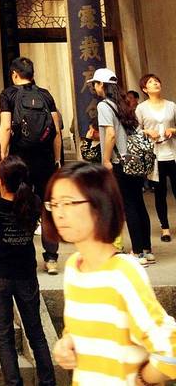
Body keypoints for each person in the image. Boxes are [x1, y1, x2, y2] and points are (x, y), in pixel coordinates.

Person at [45, 161, 176, 385]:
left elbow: (171, 351)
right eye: (54, 204)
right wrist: (67, 343)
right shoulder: (74, 267)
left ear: (100, 206)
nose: (59, 213)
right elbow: (81, 328)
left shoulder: (123, 274)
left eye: (68, 202)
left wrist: (142, 378)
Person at [0, 157, 56, 386]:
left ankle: (14, 382)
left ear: (0, 181)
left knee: (4, 336)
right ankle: (48, 382)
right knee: (36, 333)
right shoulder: (34, 203)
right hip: (26, 275)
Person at [0, 56, 62, 274]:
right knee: (47, 207)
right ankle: (51, 258)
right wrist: (56, 159)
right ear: (32, 75)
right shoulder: (45, 94)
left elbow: (6, 127)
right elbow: (56, 131)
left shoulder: (8, 94)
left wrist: (1, 156)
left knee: (18, 204)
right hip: (45, 160)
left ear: (14, 74)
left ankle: (20, 256)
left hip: (20, 161)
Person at [91, 67, 155, 265]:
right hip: (134, 161)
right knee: (139, 203)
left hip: (120, 162)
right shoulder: (124, 103)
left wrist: (106, 160)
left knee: (129, 205)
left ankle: (137, 253)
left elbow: (110, 135)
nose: (94, 87)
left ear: (101, 85)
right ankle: (147, 250)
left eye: (95, 84)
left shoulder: (104, 106)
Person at [135, 73, 176, 243]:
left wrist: (173, 130)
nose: (155, 83)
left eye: (157, 81)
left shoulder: (171, 106)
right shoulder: (141, 108)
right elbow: (136, 130)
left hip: (172, 154)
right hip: (155, 157)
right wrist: (147, 132)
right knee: (160, 194)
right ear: (145, 89)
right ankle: (165, 228)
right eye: (151, 82)